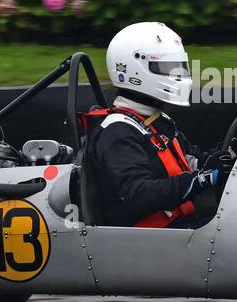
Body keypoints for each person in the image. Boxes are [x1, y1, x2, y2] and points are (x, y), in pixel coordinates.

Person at [88, 22, 228, 228]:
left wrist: (224, 159)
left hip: (180, 228)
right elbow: (138, 195)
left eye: (179, 66)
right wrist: (201, 180)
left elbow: (189, 160)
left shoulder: (157, 121)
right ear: (134, 69)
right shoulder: (116, 133)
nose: (177, 75)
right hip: (144, 242)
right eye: (168, 68)